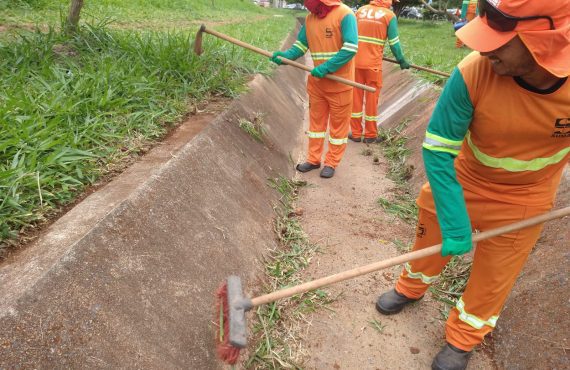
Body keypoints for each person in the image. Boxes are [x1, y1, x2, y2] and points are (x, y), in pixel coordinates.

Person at [375, 0, 570, 369]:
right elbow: (436, 150)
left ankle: (463, 338)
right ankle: (410, 287)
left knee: (494, 277)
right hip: (463, 180)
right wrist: (452, 217)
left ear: (544, 40)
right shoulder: (472, 73)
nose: (482, 47)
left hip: (526, 198)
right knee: (428, 243)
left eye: (500, 39)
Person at [270, 0, 358, 178]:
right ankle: (313, 159)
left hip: (340, 84)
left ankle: (332, 162)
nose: (307, 4)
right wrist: (286, 56)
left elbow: (350, 47)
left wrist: (327, 67)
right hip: (318, 85)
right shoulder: (310, 19)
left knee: (338, 129)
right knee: (316, 125)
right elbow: (301, 46)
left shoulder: (345, 14)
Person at [350, 0, 410, 144]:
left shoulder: (360, 11)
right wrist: (402, 60)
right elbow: (394, 44)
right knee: (371, 100)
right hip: (373, 66)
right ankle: (370, 135)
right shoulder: (389, 16)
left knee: (356, 100)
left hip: (355, 63)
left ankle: (356, 133)